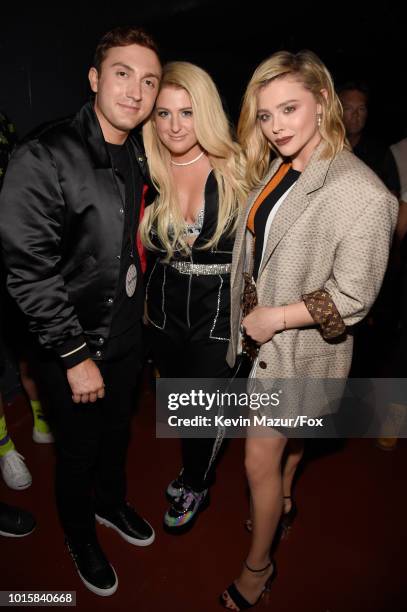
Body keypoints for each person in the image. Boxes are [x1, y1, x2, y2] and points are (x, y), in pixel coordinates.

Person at [221, 50, 397, 610]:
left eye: (289, 109)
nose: (275, 127)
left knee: (255, 460)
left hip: (299, 350)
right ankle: (287, 499)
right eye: (265, 115)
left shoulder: (364, 192)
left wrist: (275, 315)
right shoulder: (282, 163)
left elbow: (353, 297)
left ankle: (258, 568)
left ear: (323, 102)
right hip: (260, 339)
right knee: (287, 446)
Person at [0, 26, 161, 597]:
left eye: (149, 80)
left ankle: (110, 506)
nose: (135, 91)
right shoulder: (45, 153)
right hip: (72, 345)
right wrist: (73, 355)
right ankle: (78, 534)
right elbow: (28, 269)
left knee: (117, 436)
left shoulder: (144, 151)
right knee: (77, 451)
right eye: (122, 74)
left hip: (125, 337)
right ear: (95, 78)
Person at [140, 61, 246, 530]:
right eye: (163, 114)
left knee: (207, 410)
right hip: (164, 307)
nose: (175, 126)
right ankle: (190, 469)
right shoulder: (149, 166)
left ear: (204, 112)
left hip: (218, 308)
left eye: (186, 112)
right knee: (182, 404)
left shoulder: (239, 166)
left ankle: (198, 484)